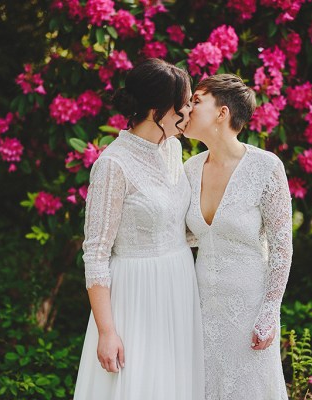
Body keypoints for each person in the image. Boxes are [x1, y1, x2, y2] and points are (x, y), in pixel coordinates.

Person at [73, 58, 205, 400]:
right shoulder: (112, 166)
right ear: (155, 110)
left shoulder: (174, 149)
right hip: (136, 293)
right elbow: (97, 253)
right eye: (185, 103)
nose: (190, 110)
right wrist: (106, 331)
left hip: (179, 285)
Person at [183, 74, 293, 400]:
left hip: (248, 309)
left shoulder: (266, 167)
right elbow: (185, 236)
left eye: (197, 102)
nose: (187, 109)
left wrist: (269, 312)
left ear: (222, 112)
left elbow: (281, 247)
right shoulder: (189, 168)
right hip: (200, 308)